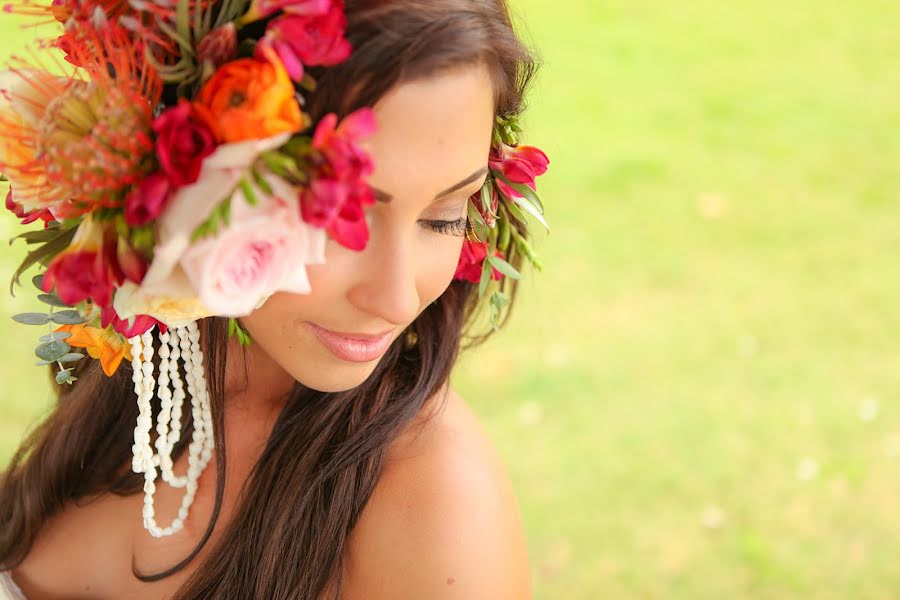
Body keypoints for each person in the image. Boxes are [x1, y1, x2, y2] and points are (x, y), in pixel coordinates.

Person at [0, 0, 550, 597]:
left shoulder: (437, 505)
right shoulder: (141, 370)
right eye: (341, 215)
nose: (394, 298)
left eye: (444, 217)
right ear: (187, 162)